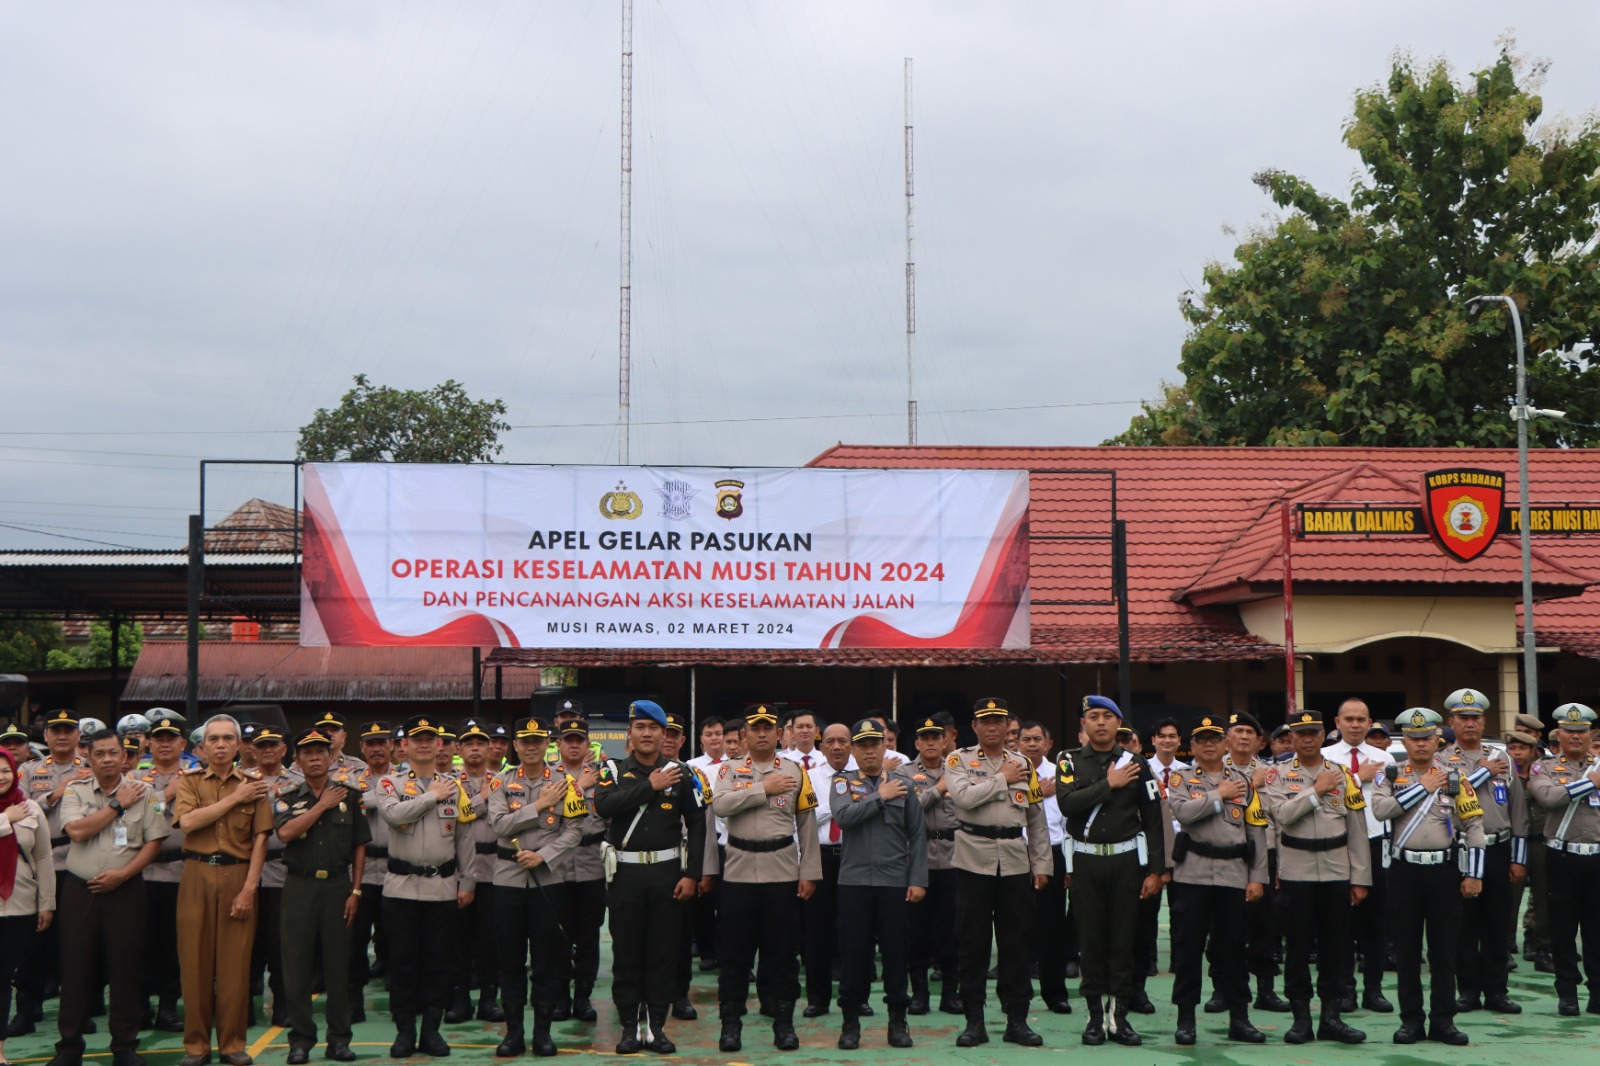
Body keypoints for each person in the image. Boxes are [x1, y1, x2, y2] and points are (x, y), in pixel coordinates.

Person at [594, 701, 708, 1055]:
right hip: (625, 875)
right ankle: (629, 1028)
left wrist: (693, 874)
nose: (647, 733)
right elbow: (604, 805)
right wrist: (651, 786)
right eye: (640, 727)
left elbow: (698, 824)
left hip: (667, 875)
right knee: (627, 954)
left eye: (654, 728)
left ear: (664, 734)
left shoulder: (682, 773)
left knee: (663, 954)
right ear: (629, 733)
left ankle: (656, 1027)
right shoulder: (612, 769)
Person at [1370, 707, 1484, 1046]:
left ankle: (1444, 1021)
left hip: (1444, 872)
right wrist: (1421, 787)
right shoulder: (1390, 774)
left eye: (1426, 738)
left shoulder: (1455, 777)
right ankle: (1411, 1021)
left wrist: (1474, 874)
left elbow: (1474, 825)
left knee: (1444, 951)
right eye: (1413, 738)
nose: (1420, 744)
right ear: (1404, 741)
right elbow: (1381, 810)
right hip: (1404, 871)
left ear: (1437, 741)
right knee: (1406, 951)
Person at [710, 703, 820, 1053]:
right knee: (735, 955)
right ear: (744, 735)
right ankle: (731, 1026)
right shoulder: (729, 769)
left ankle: (784, 1024)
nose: (761, 734)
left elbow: (807, 824)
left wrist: (810, 873)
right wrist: (763, 788)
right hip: (739, 871)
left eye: (767, 728)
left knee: (783, 954)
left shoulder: (794, 771)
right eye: (754, 728)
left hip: (782, 870)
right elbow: (720, 805)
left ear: (779, 734)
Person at [54, 729, 166, 1066]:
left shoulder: (145, 792)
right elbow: (77, 831)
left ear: (124, 756)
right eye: (99, 754)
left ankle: (125, 1046)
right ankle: (69, 1047)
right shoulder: (75, 790)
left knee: (125, 968)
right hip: (80, 891)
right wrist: (118, 804)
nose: (107, 760)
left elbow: (154, 842)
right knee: (75, 969)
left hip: (126, 890)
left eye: (113, 753)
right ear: (88, 758)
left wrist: (123, 874)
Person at [1057, 695, 1165, 1047]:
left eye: (1107, 716)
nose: (1101, 722)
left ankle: (1118, 1017)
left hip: (1126, 861)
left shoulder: (1136, 762)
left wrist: (1156, 871)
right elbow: (1067, 803)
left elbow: (1153, 819)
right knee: (1090, 940)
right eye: (1093, 716)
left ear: (1118, 723)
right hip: (1086, 861)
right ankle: (1094, 1017)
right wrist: (1110, 784)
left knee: (1123, 940)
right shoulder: (1069, 760)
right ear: (1083, 723)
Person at [1259, 709, 1371, 1045]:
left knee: (1336, 946)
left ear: (1323, 736)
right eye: (1300, 734)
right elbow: (1282, 815)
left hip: (1337, 869)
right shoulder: (1277, 775)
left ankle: (1332, 1018)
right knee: (1297, 947)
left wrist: (1360, 877)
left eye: (1313, 733)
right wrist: (1316, 791)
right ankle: (1301, 1019)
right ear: (1291, 738)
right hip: (1297, 870)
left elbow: (1357, 827)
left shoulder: (1342, 774)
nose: (1307, 739)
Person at [948, 697, 1050, 1048]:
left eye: (998, 721)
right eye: (985, 721)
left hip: (1015, 861)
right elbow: (963, 797)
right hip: (972, 860)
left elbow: (1036, 819)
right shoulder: (959, 760)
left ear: (1008, 727)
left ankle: (1017, 1020)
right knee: (972, 943)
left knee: (1016, 944)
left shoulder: (1023, 763)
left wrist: (1042, 864)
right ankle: (974, 1021)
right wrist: (1001, 779)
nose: (992, 726)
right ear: (974, 726)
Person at [374, 715, 476, 1058]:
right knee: (402, 962)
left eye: (430, 739)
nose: (423, 744)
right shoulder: (389, 783)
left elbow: (465, 837)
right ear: (404, 745)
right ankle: (404, 1031)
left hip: (442, 887)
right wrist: (431, 797)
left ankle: (432, 1030)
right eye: (416, 739)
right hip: (401, 888)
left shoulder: (454, 786)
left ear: (439, 745)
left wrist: (468, 881)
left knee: (438, 962)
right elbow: (394, 816)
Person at [173, 714, 273, 1066]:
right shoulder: (190, 782)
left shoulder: (254, 785)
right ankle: (197, 1046)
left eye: (227, 738)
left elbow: (261, 839)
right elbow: (188, 822)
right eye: (213, 739)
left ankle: (232, 1044)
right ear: (202, 746)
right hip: (196, 874)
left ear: (238, 745)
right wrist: (234, 798)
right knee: (194, 965)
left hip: (237, 875)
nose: (220, 745)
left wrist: (249, 888)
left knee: (235, 967)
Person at [1166, 716, 1269, 1046]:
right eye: (1202, 739)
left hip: (1233, 875)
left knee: (1234, 949)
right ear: (1192, 747)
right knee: (1188, 950)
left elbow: (1256, 831)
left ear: (1225, 744)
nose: (1209, 744)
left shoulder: (1243, 781)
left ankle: (1240, 1017)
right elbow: (1182, 813)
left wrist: (1258, 877)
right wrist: (1218, 795)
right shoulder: (1181, 779)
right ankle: (1186, 1020)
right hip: (1193, 874)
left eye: (1214, 738)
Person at [486, 715, 583, 1058]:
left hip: (548, 880)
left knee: (546, 960)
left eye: (537, 741)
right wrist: (539, 805)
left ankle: (542, 1033)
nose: (531, 747)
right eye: (525, 742)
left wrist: (544, 856)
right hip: (508, 880)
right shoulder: (500, 782)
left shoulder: (566, 782)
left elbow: (574, 830)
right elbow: (499, 824)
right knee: (510, 960)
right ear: (515, 745)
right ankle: (513, 1033)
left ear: (548, 744)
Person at [274, 728, 369, 1064]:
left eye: (320, 752)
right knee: (297, 967)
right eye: (307, 753)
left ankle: (339, 1039)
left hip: (337, 887)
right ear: (297, 759)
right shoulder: (288, 795)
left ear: (331, 757)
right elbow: (286, 833)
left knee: (338, 966)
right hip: (299, 887)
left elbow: (359, 845)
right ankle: (300, 1040)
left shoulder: (350, 795)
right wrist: (321, 806)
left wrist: (355, 890)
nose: (314, 758)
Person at [830, 718, 926, 1050]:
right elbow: (843, 817)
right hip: (854, 882)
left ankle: (898, 1022)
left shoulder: (904, 784)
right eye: (863, 745)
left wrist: (918, 880)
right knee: (854, 954)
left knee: (896, 954)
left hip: (894, 882)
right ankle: (850, 1023)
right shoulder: (842, 783)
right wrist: (879, 797)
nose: (869, 750)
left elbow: (918, 834)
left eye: (875, 743)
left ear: (885, 747)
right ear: (853, 750)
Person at [1441, 688, 1527, 1015]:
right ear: (1452, 721)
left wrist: (1518, 858)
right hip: (1462, 849)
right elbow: (1452, 795)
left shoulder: (1501, 757)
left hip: (1498, 847)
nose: (1470, 723)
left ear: (1484, 721)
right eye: (1463, 717)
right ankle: (1467, 990)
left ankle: (1496, 991)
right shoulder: (1442, 759)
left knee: (1497, 923)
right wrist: (1484, 772)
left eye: (1475, 718)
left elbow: (1518, 809)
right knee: (1465, 924)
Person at [11, 709, 86, 1037]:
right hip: (39, 864)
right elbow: (19, 809)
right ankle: (27, 1009)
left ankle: (78, 1011)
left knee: (76, 941)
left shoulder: (90, 768)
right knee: (33, 941)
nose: (62, 735)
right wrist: (56, 793)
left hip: (77, 862)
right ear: (46, 736)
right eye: (56, 730)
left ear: (78, 735)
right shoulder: (28, 771)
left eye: (68, 730)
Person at [1321, 697, 1395, 1014]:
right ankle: (1345, 990)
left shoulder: (1384, 758)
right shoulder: (1325, 757)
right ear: (1337, 723)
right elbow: (1322, 792)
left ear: (1369, 723)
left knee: (1376, 922)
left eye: (1360, 719)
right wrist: (1356, 777)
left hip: (1376, 843)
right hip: (1338, 845)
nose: (1354, 725)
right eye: (1348, 719)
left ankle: (1373, 990)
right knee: (1341, 924)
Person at [1525, 702, 1600, 1016]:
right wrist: (1591, 783)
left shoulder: (1598, 764)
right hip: (1562, 857)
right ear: (1559, 734)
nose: (1576, 736)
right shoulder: (1543, 767)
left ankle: (1597, 992)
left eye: (1582, 731)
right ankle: (1567, 992)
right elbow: (1549, 797)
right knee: (1562, 928)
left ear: (1590, 734)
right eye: (1569, 731)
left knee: (1596, 930)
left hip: (1596, 857)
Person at [1218, 712, 1288, 1013]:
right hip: (1227, 854)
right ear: (1227, 739)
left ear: (1260, 741)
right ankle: (1222, 989)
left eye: (1250, 732)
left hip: (1264, 853)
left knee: (1265, 925)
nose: (1244, 737)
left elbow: (1281, 820)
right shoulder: (1212, 769)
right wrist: (1250, 784)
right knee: (1224, 925)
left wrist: (1281, 865)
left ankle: (1265, 989)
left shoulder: (1271, 773)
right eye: (1238, 731)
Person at [447, 719, 503, 1025]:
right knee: (459, 940)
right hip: (460, 873)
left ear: (490, 747)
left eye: (481, 743)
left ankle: (489, 999)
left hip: (495, 871)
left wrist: (478, 800)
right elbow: (457, 815)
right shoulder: (449, 782)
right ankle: (459, 999)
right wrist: (481, 798)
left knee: (490, 941)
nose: (475, 748)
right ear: (459, 749)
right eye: (468, 743)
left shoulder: (503, 781)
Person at [906, 713, 960, 1015]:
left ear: (945, 741)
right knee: (917, 932)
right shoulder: (903, 772)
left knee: (952, 930)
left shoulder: (959, 769)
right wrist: (939, 789)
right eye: (924, 738)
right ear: (916, 743)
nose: (930, 743)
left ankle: (950, 994)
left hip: (954, 858)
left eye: (935, 738)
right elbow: (908, 810)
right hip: (919, 859)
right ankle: (920, 994)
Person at [1018, 720, 1072, 1015]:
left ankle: (1055, 993)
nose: (1031, 744)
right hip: (1016, 853)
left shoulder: (1061, 774)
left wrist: (1069, 865)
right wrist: (1039, 792)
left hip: (1053, 853)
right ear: (1017, 743)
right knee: (1017, 926)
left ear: (1048, 744)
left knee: (1052, 927)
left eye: (1037, 739)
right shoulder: (1010, 771)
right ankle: (1018, 994)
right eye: (1026, 739)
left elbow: (1069, 823)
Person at [138, 716, 189, 1032]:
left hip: (180, 871)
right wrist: (165, 795)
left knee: (174, 945)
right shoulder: (134, 777)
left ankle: (169, 1007)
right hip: (142, 872)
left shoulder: (196, 776)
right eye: (159, 738)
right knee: (141, 943)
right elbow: (132, 813)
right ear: (149, 743)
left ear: (183, 743)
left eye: (171, 738)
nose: (165, 744)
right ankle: (141, 1006)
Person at [555, 718, 607, 1024]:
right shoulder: (549, 776)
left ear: (588, 745)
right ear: (559, 744)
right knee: (558, 937)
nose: (574, 745)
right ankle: (561, 996)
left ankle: (583, 997)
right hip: (558, 869)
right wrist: (578, 787)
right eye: (569, 740)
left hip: (592, 866)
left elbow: (610, 822)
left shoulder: (602, 778)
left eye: (579, 740)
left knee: (589, 936)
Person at [801, 722, 852, 1019]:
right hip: (819, 857)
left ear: (851, 746)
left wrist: (829, 809)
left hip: (853, 855)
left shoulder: (862, 776)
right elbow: (806, 817)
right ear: (821, 747)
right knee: (816, 931)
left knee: (854, 930)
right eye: (830, 741)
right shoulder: (809, 777)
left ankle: (853, 998)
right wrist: (841, 808)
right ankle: (817, 999)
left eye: (842, 741)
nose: (836, 746)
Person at [245, 726, 291, 1028]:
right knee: (245, 945)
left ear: (283, 749)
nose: (267, 750)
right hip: (245, 870)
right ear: (253, 750)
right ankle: (243, 1007)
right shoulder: (241, 781)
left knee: (279, 943)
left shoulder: (297, 782)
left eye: (273, 745)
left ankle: (282, 1006)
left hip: (281, 871)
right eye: (261, 746)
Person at [348, 722, 393, 1022]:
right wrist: (380, 799)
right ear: (362, 748)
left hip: (395, 870)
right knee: (355, 940)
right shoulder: (349, 780)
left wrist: (368, 801)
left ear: (391, 746)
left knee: (397, 938)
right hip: (360, 873)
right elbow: (348, 806)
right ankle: (353, 1002)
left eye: (381, 742)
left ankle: (401, 1000)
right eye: (370, 743)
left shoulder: (405, 779)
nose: (376, 748)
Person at [1507, 721, 1552, 972]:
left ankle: (1541, 947)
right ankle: (1505, 947)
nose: (1516, 753)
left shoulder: (1544, 771)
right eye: (1512, 748)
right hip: (1514, 841)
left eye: (1522, 748)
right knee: (1509, 898)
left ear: (1533, 751)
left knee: (1543, 897)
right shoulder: (1504, 772)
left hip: (1540, 839)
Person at [686, 716, 728, 974]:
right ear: (701, 740)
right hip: (702, 838)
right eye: (709, 734)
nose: (714, 738)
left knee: (727, 901)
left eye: (718, 733)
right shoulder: (692, 767)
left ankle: (727, 953)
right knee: (703, 898)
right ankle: (707, 952)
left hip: (728, 841)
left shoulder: (736, 765)